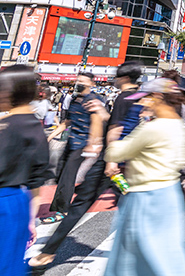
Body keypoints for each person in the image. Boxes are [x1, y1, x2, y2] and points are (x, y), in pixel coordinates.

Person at [29, 62, 144, 271]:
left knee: (80, 205)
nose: (115, 80)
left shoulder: (122, 97)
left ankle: (46, 254)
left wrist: (110, 161)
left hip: (110, 162)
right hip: (130, 161)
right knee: (133, 202)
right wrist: (103, 113)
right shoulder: (139, 96)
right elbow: (126, 124)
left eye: (117, 77)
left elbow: (116, 129)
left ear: (124, 78)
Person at [103, 77, 185, 275]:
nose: (142, 102)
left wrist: (111, 139)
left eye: (146, 98)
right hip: (169, 194)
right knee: (167, 252)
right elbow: (180, 161)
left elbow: (116, 152)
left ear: (158, 97)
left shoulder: (152, 128)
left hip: (144, 196)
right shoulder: (178, 125)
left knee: (132, 256)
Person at [0, 66, 53, 276]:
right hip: (17, 205)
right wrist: (30, 221)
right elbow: (36, 183)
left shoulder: (6, 127)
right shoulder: (35, 128)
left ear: (10, 91)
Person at [42, 72, 105, 224]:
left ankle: (62, 211)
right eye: (78, 80)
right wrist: (50, 137)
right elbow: (67, 122)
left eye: (83, 81)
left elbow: (96, 121)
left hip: (81, 144)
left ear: (91, 83)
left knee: (67, 177)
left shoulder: (94, 100)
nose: (79, 83)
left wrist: (92, 143)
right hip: (71, 142)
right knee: (60, 173)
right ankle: (65, 203)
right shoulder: (75, 99)